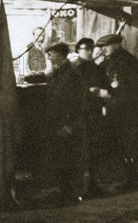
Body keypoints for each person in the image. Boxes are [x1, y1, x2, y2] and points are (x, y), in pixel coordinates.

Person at [96, 33, 138, 191]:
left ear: (116, 44)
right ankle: (137, 175)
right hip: (119, 110)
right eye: (101, 47)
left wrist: (109, 97)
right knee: (126, 145)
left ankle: (135, 179)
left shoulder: (127, 62)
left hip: (128, 112)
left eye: (105, 46)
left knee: (129, 145)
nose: (103, 50)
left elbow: (130, 88)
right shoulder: (111, 60)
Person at [33, 42, 87, 206]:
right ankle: (65, 193)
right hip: (59, 124)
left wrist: (70, 125)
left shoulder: (71, 74)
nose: (48, 57)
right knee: (61, 160)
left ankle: (73, 196)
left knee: (70, 161)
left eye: (51, 54)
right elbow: (47, 79)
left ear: (59, 55)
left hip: (68, 126)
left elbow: (80, 102)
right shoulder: (60, 72)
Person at [72, 38, 111, 198]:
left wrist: (101, 94)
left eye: (91, 48)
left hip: (94, 113)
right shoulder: (74, 69)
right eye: (85, 48)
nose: (89, 51)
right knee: (81, 151)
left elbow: (107, 88)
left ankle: (93, 185)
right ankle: (79, 188)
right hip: (79, 114)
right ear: (78, 50)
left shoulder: (97, 68)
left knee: (95, 150)